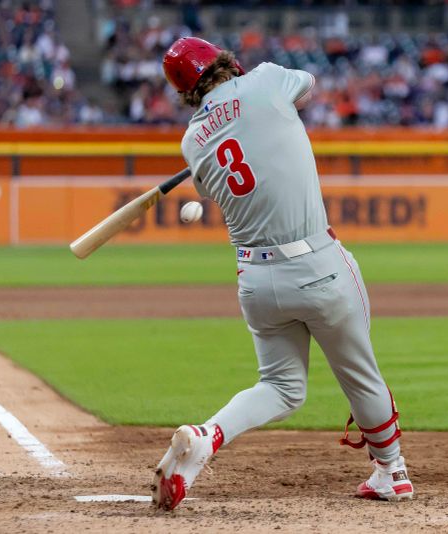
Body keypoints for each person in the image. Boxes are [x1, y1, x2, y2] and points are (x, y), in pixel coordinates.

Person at [151, 38, 414, 511]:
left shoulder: (192, 142)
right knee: (360, 375)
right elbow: (308, 90)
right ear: (226, 62)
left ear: (185, 92)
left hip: (257, 281)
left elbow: (224, 166)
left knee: (280, 386)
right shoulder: (268, 79)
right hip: (318, 265)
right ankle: (390, 470)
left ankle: (206, 438)